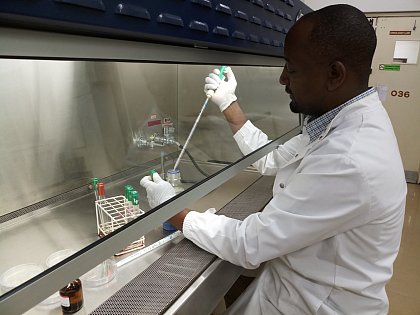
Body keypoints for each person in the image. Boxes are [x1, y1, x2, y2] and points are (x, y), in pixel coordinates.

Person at [140, 4, 407, 314]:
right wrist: (229, 103)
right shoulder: (339, 123)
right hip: (296, 285)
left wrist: (173, 210)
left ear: (335, 74)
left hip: (318, 305)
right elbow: (274, 159)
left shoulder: (349, 157)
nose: (283, 79)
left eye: (291, 69)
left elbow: (250, 244)